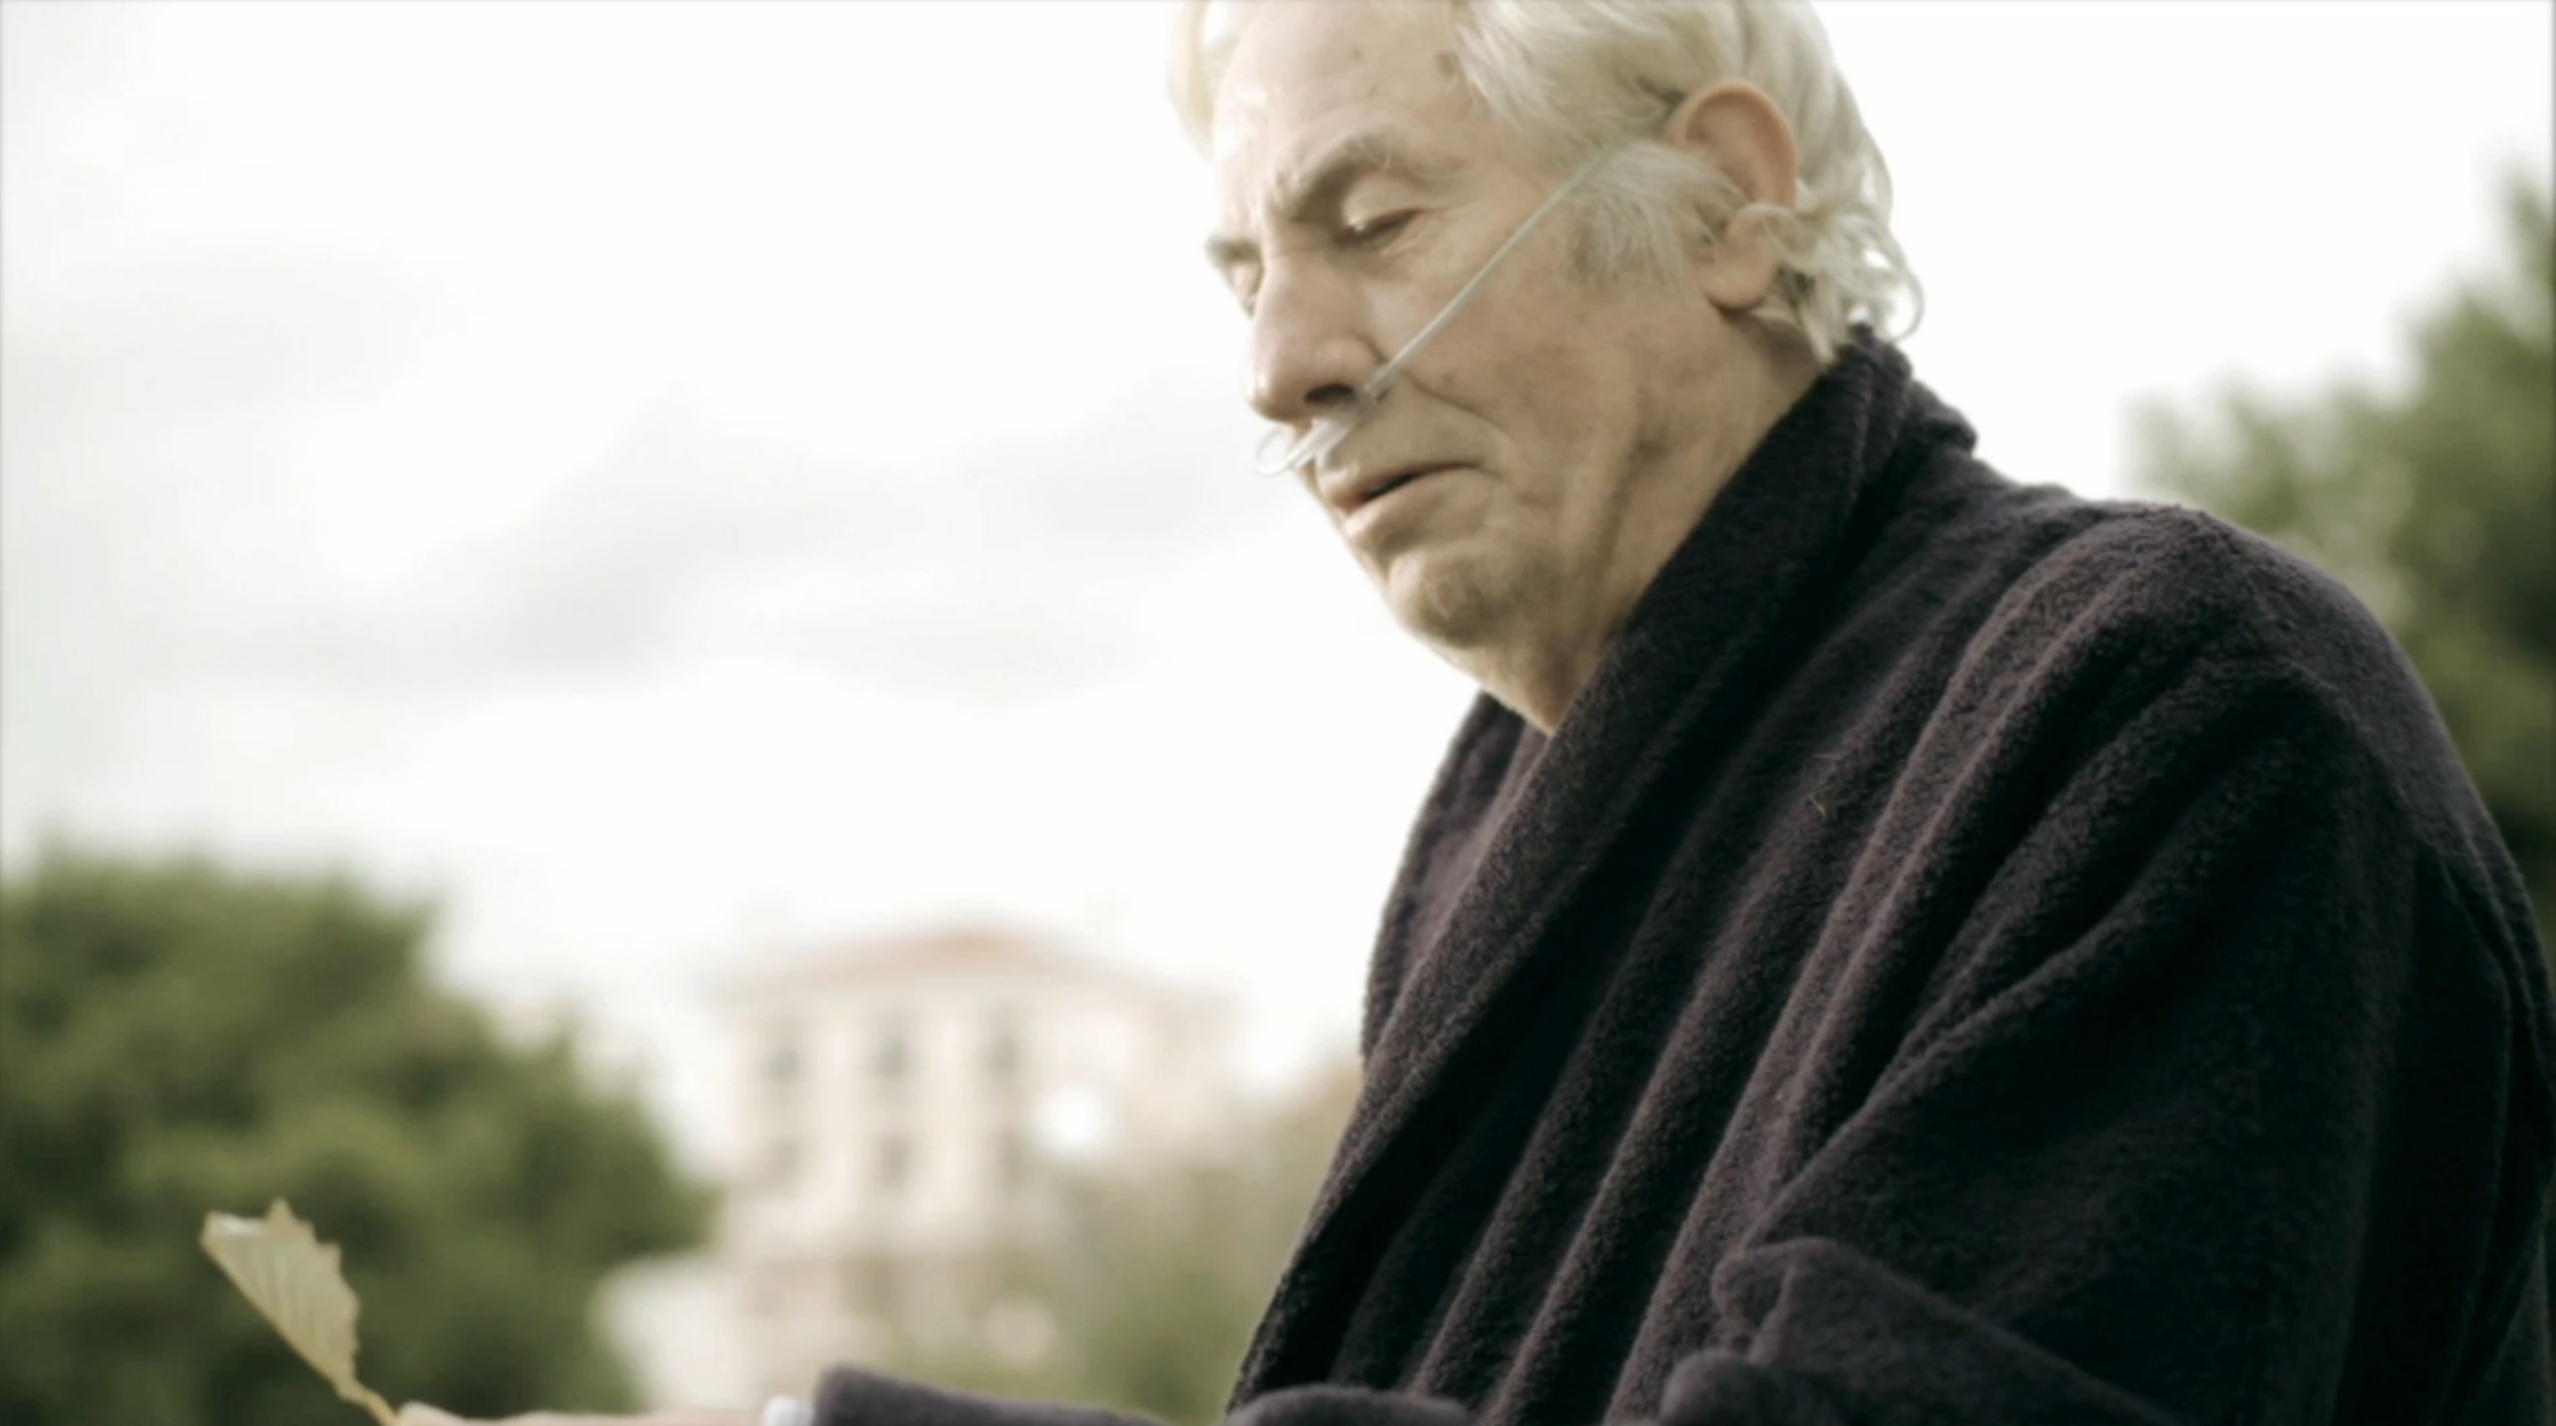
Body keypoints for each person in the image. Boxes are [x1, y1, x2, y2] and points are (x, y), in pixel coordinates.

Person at [405, 1, 2555, 1423]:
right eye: (1245, 273)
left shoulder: (2180, 710)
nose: (1283, 367)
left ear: (1727, 200)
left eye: (1370, 220)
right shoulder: (1508, 816)